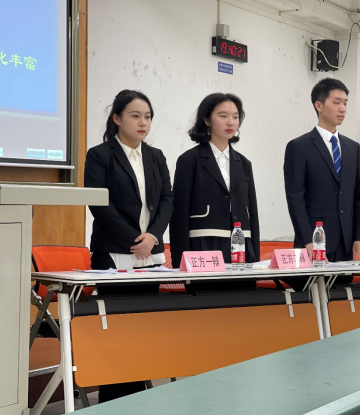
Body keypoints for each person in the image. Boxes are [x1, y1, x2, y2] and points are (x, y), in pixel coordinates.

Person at [84, 90, 174, 401]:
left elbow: (167, 200)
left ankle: (137, 400)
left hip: (150, 255)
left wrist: (153, 236)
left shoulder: (156, 156)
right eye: (135, 116)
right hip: (113, 253)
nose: (142, 122)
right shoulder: (100, 154)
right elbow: (99, 204)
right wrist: (135, 240)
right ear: (117, 118)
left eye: (147, 116)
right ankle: (113, 401)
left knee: (143, 329)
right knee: (118, 330)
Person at [284, 78, 360, 291]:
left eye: (345, 103)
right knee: (312, 299)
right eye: (336, 102)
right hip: (314, 242)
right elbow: (295, 199)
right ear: (319, 105)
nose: (343, 109)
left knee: (342, 300)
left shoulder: (353, 148)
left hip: (346, 243)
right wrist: (307, 240)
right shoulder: (299, 146)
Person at [170, 93, 260, 290]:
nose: (230, 122)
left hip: (241, 247)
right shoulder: (189, 160)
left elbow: (252, 212)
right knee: (207, 302)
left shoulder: (244, 163)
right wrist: (179, 261)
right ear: (206, 120)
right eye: (223, 115)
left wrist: (256, 258)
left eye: (235, 117)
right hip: (203, 245)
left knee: (243, 302)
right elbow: (178, 215)